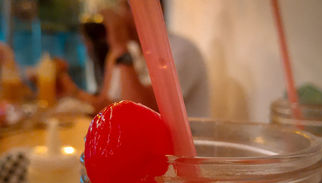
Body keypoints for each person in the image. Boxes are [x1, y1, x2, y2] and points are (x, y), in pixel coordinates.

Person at [58, 0, 210, 117]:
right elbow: (104, 105)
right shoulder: (129, 51)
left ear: (155, 11)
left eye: (128, 8)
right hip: (137, 148)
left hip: (176, 155)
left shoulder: (180, 51)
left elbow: (142, 112)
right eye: (121, 7)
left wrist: (120, 48)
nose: (121, 16)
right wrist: (70, 89)